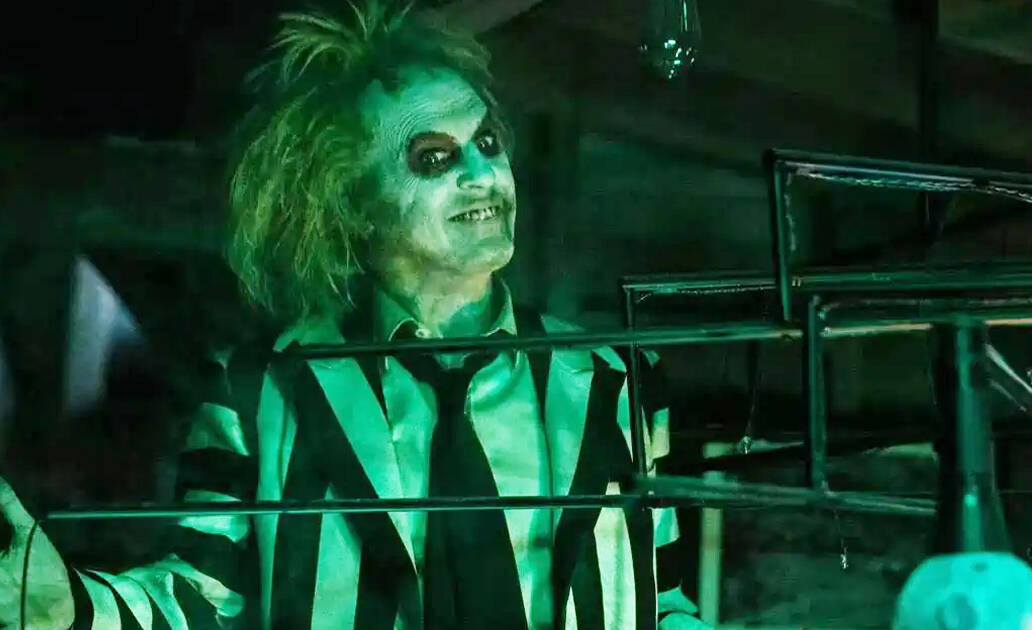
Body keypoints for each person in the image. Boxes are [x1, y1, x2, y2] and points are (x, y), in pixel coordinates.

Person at [0, 2, 706, 628]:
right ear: (354, 204)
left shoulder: (619, 377)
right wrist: (70, 609)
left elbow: (664, 601)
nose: (483, 175)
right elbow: (200, 599)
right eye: (434, 157)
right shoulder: (259, 392)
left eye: (488, 143)